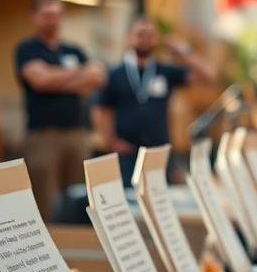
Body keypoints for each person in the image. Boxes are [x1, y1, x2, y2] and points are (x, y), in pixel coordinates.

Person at [92, 17, 216, 186]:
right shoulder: (116, 74)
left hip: (159, 154)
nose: (145, 40)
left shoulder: (164, 71)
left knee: (159, 201)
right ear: (130, 37)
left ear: (156, 39)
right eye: (140, 34)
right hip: (127, 153)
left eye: (150, 35)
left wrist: (183, 51)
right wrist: (111, 141)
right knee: (129, 202)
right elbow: (98, 109)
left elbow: (209, 75)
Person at [15, 0, 106, 221]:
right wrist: (78, 76)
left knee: (77, 198)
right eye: (46, 15)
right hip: (44, 136)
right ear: (35, 17)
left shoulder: (73, 49)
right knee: (45, 199)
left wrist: (54, 77)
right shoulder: (27, 49)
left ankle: (73, 243)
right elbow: (40, 81)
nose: (52, 20)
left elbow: (98, 77)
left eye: (56, 15)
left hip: (76, 135)